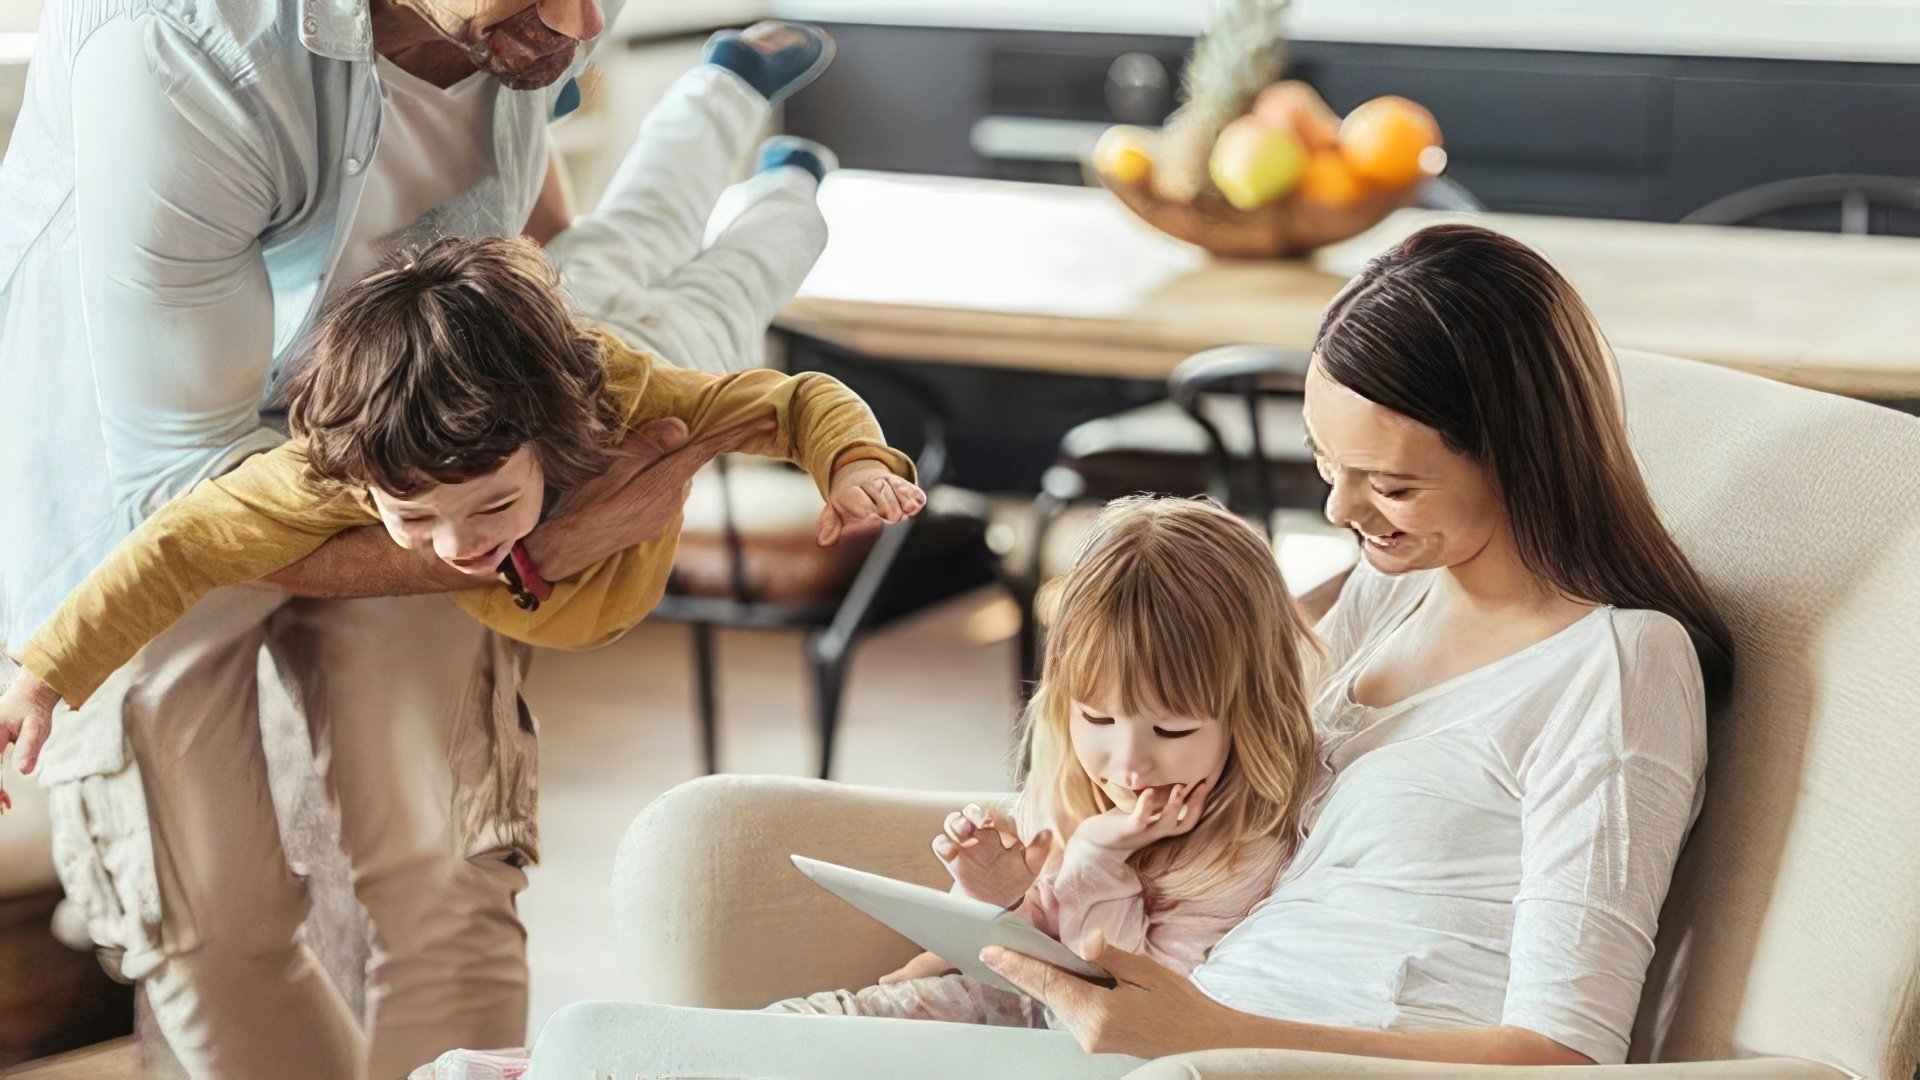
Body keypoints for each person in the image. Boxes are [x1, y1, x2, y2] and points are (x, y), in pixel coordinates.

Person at [547, 223, 1731, 1077]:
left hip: (1241, 1067)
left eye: (1391, 482)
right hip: (1150, 1033)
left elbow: (1566, 1051)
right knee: (619, 1051)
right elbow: (1147, 694)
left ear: (1520, 452)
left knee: (600, 1053)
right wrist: (1008, 917)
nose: (1343, 514)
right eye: (1326, 470)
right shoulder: (1390, 595)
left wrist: (1207, 1038)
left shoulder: (1617, 669)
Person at [0, 0, 846, 1069]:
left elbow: (514, 184)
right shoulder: (177, 41)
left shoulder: (542, 22)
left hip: (430, 432)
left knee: (453, 874)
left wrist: (550, 361)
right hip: (143, 485)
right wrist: (548, 545)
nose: (585, 19)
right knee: (206, 919)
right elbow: (183, 491)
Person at [0, 233, 925, 761]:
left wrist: (850, 465)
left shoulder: (620, 397)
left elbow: (794, 398)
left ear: (547, 445)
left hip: (633, 370)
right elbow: (175, 547)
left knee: (722, 271)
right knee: (617, 247)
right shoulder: (331, 466)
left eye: (491, 506)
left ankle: (785, 175)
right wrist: (43, 678)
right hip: (560, 357)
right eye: (413, 520)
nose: (455, 549)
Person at [766, 495, 1318, 1026]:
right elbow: (1014, 952)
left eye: (1172, 729)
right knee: (795, 1028)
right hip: (986, 1018)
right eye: (1097, 720)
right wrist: (988, 898)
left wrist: (1101, 855)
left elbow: (1119, 1014)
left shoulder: (1239, 857)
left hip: (1059, 1051)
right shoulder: (1068, 790)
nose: (1130, 763)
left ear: (1253, 713)